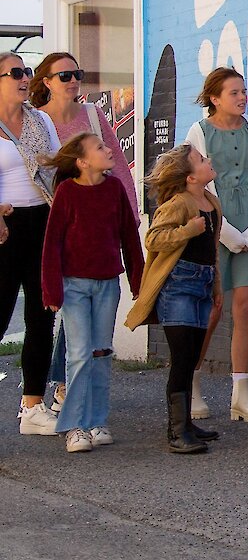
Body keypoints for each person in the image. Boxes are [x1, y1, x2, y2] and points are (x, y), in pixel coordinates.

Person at [30, 51, 140, 412]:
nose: (73, 80)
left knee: (75, 308)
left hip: (93, 225)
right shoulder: (39, 121)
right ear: (46, 82)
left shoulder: (92, 115)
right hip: (52, 219)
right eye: (64, 76)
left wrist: (128, 209)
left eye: (77, 73)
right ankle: (47, 387)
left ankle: (64, 384)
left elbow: (118, 163)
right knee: (57, 305)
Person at [40, 133, 143, 453]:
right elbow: (52, 244)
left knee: (101, 352)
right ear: (82, 162)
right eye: (99, 148)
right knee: (80, 354)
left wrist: (139, 283)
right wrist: (51, 289)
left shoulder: (114, 190)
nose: (108, 149)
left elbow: (129, 235)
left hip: (107, 285)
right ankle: (74, 426)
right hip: (73, 286)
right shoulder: (67, 192)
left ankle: (97, 421)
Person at [185, 67, 248, 422]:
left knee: (245, 307)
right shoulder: (199, 131)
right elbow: (203, 189)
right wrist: (233, 235)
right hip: (216, 227)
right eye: (233, 92)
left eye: (244, 91)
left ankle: (241, 393)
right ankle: (190, 382)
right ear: (215, 98)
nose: (241, 97)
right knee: (213, 306)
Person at [125, 144, 223, 454]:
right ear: (190, 177)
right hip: (178, 287)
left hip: (203, 284)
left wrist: (217, 287)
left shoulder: (211, 202)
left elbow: (213, 251)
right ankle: (177, 431)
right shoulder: (178, 204)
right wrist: (187, 230)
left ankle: (187, 425)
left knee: (193, 355)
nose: (209, 161)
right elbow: (153, 238)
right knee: (181, 359)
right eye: (201, 160)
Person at [0, 51, 59, 434]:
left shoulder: (42, 120)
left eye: (28, 72)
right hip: (4, 226)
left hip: (42, 221)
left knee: (42, 315)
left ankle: (33, 406)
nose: (25, 78)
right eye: (16, 72)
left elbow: (57, 168)